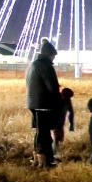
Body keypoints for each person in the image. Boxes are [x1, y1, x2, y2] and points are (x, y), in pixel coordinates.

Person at [25, 39, 62, 167]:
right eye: (53, 55)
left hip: (33, 102)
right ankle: (44, 161)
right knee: (44, 133)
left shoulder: (34, 64)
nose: (54, 58)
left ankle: (37, 158)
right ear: (49, 54)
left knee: (40, 132)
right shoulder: (46, 66)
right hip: (44, 104)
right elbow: (52, 87)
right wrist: (58, 100)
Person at [52, 87, 75, 158]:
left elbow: (71, 112)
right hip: (53, 122)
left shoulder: (67, 100)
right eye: (66, 97)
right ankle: (53, 154)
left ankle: (55, 153)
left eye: (68, 98)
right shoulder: (55, 99)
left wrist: (71, 124)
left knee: (60, 139)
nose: (67, 98)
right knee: (55, 138)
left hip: (60, 123)